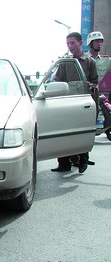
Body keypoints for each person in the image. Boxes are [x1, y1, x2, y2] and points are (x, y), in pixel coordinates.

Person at [51, 32, 98, 174]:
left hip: (83, 104)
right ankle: (64, 164)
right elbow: (56, 80)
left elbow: (95, 81)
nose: (70, 46)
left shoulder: (90, 62)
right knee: (63, 133)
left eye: (72, 43)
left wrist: (92, 85)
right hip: (66, 104)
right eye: (67, 43)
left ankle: (83, 159)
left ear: (80, 43)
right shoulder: (65, 62)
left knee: (82, 132)